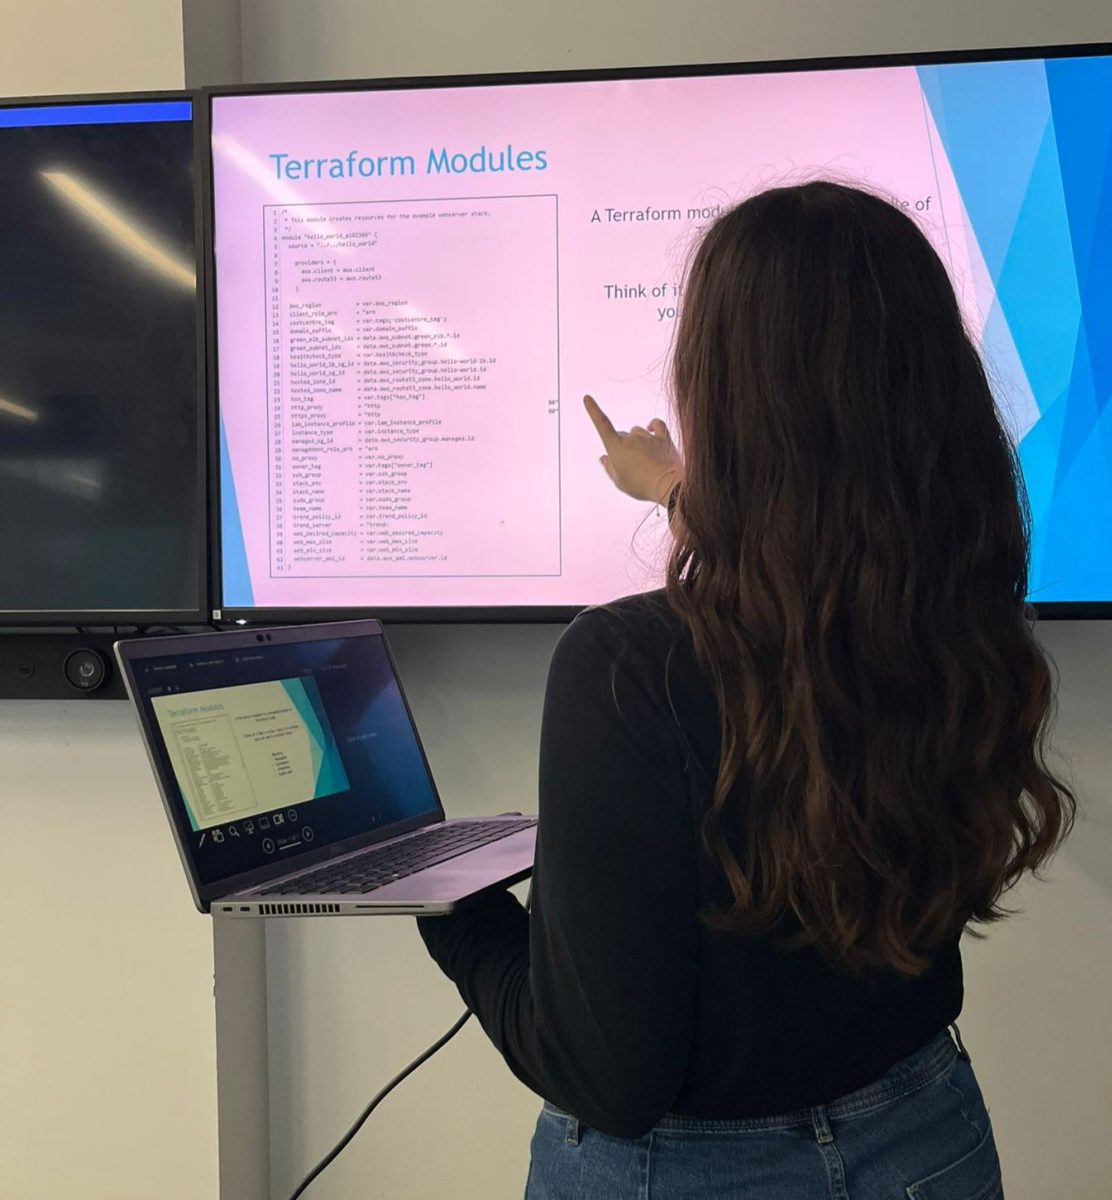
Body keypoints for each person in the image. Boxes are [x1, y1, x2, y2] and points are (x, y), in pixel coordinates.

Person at [417, 181, 1074, 1200]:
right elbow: (809, 579)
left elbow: (604, 1077)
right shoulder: (951, 615)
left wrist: (449, 908)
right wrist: (676, 489)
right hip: (927, 1133)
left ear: (723, 392)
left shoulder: (626, 669)